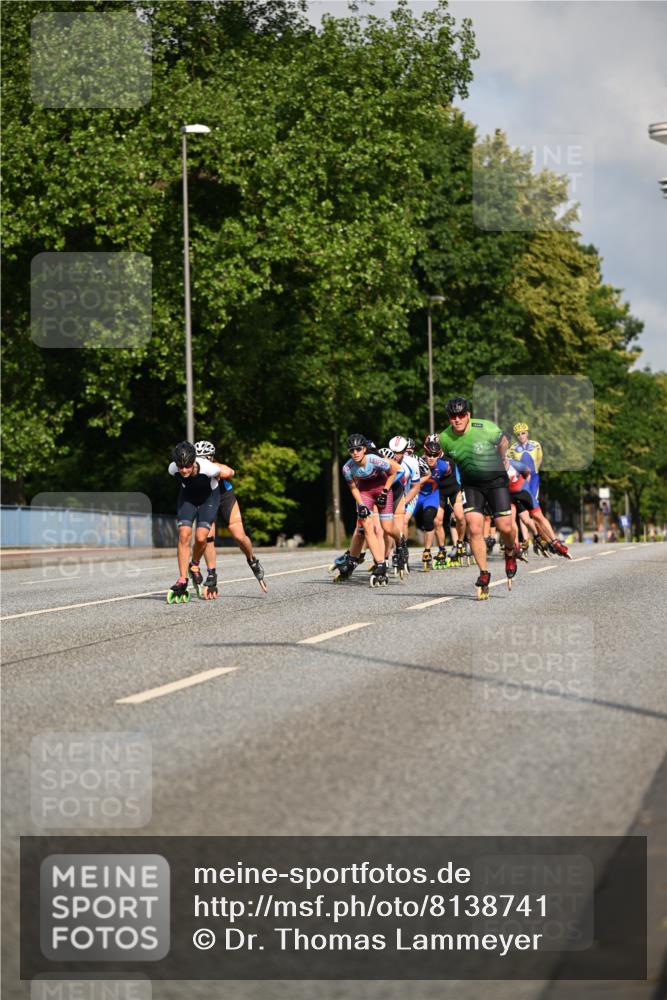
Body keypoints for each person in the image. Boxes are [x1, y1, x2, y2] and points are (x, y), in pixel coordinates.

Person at [439, 398, 518, 599]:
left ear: (468, 415)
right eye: (453, 416)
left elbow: (504, 441)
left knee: (505, 527)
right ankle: (484, 573)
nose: (457, 420)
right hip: (471, 485)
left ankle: (510, 551)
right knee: (473, 527)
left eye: (461, 415)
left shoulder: (485, 428)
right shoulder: (445, 439)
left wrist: (501, 457)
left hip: (495, 481)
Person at [192, 440, 268, 596]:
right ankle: (212, 575)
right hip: (206, 500)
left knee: (239, 535)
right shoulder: (191, 469)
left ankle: (252, 560)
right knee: (208, 537)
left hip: (225, 497)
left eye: (204, 458)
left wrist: (216, 471)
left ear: (211, 458)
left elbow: (230, 471)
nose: (200, 461)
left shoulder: (215, 466)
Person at [331, 434, 404, 586]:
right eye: (352, 450)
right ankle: (380, 564)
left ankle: (400, 540)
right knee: (366, 526)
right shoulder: (347, 468)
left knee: (387, 527)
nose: (355, 453)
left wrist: (385, 492)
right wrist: (361, 505)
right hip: (364, 492)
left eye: (358, 449)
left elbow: (393, 473)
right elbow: (353, 488)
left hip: (382, 488)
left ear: (364, 449)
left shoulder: (375, 460)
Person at [166, 441, 228, 604]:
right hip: (188, 499)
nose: (184, 470)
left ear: (194, 461)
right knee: (184, 535)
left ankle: (194, 565)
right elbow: (180, 474)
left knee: (201, 538)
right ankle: (182, 579)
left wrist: (229, 471)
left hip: (209, 499)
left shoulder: (209, 468)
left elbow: (225, 473)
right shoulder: (172, 468)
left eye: (187, 466)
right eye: (181, 467)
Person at [504, 454, 571, 559]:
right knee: (510, 520)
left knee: (534, 518)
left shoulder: (515, 464)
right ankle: (516, 546)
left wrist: (527, 487)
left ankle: (553, 541)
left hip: (522, 492)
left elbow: (528, 473)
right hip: (508, 495)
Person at [508, 422, 543, 504]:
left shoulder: (536, 444)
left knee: (534, 500)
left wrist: (536, 470)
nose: (521, 436)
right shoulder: (513, 448)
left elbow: (540, 458)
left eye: (523, 433)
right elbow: (511, 463)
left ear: (527, 433)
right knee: (522, 502)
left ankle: (533, 517)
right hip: (521, 477)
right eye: (518, 434)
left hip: (534, 476)